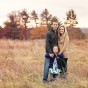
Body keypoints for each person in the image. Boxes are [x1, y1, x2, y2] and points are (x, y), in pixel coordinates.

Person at [43, 18, 59, 83]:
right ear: (52, 25)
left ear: (58, 25)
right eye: (54, 24)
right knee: (46, 67)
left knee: (53, 67)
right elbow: (47, 44)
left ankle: (53, 80)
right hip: (49, 53)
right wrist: (50, 52)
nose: (55, 25)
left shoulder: (58, 33)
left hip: (55, 53)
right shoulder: (49, 33)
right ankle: (44, 80)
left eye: (56, 24)